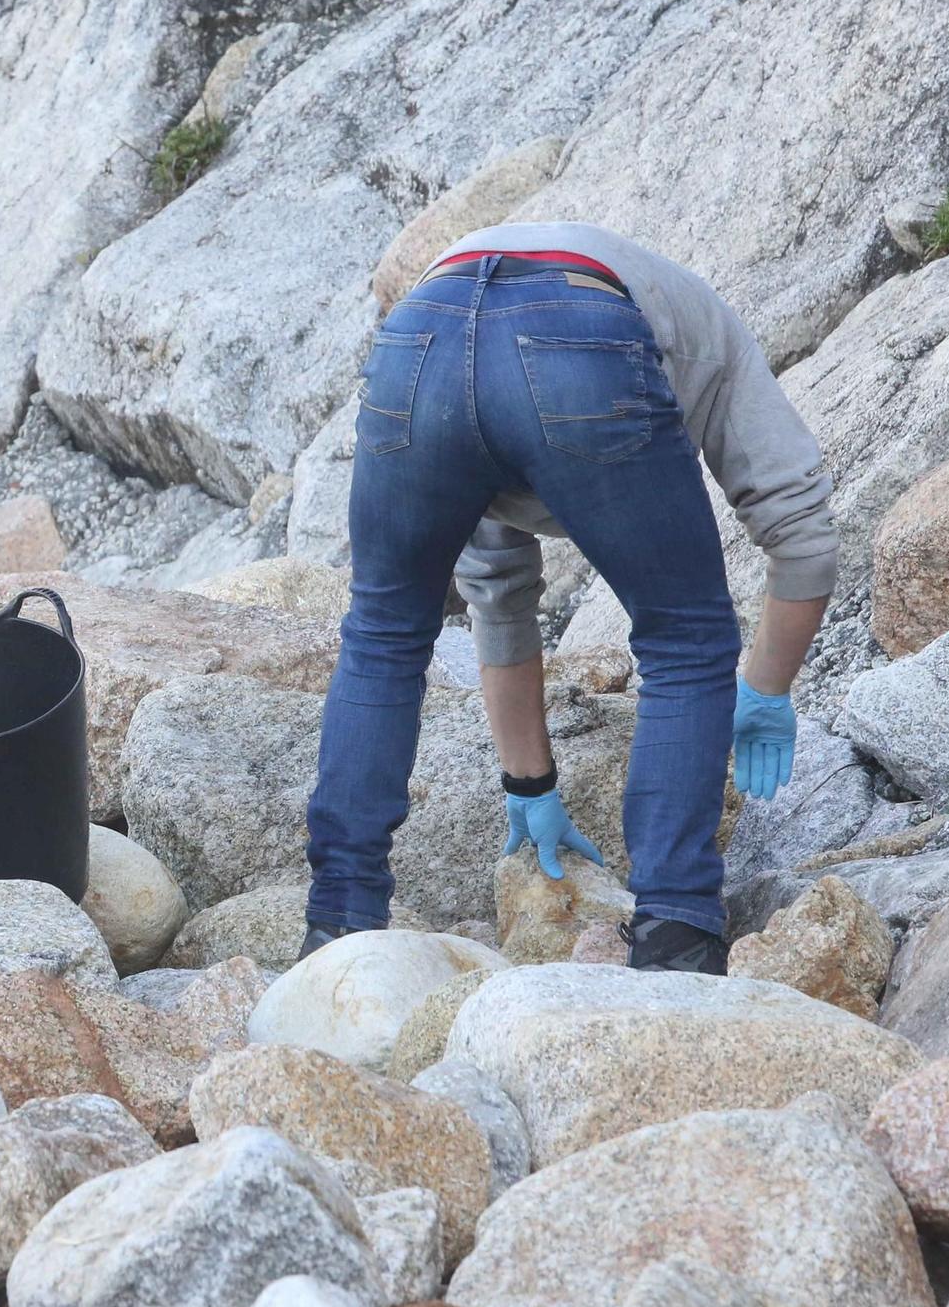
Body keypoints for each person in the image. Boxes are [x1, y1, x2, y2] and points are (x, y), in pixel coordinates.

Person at [301, 223, 837, 973]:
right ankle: (676, 935)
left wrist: (531, 780)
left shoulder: (694, 338)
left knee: (383, 632)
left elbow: (499, 591)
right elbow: (805, 532)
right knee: (685, 638)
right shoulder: (716, 343)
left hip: (416, 341)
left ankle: (337, 929)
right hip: (579, 339)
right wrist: (764, 684)